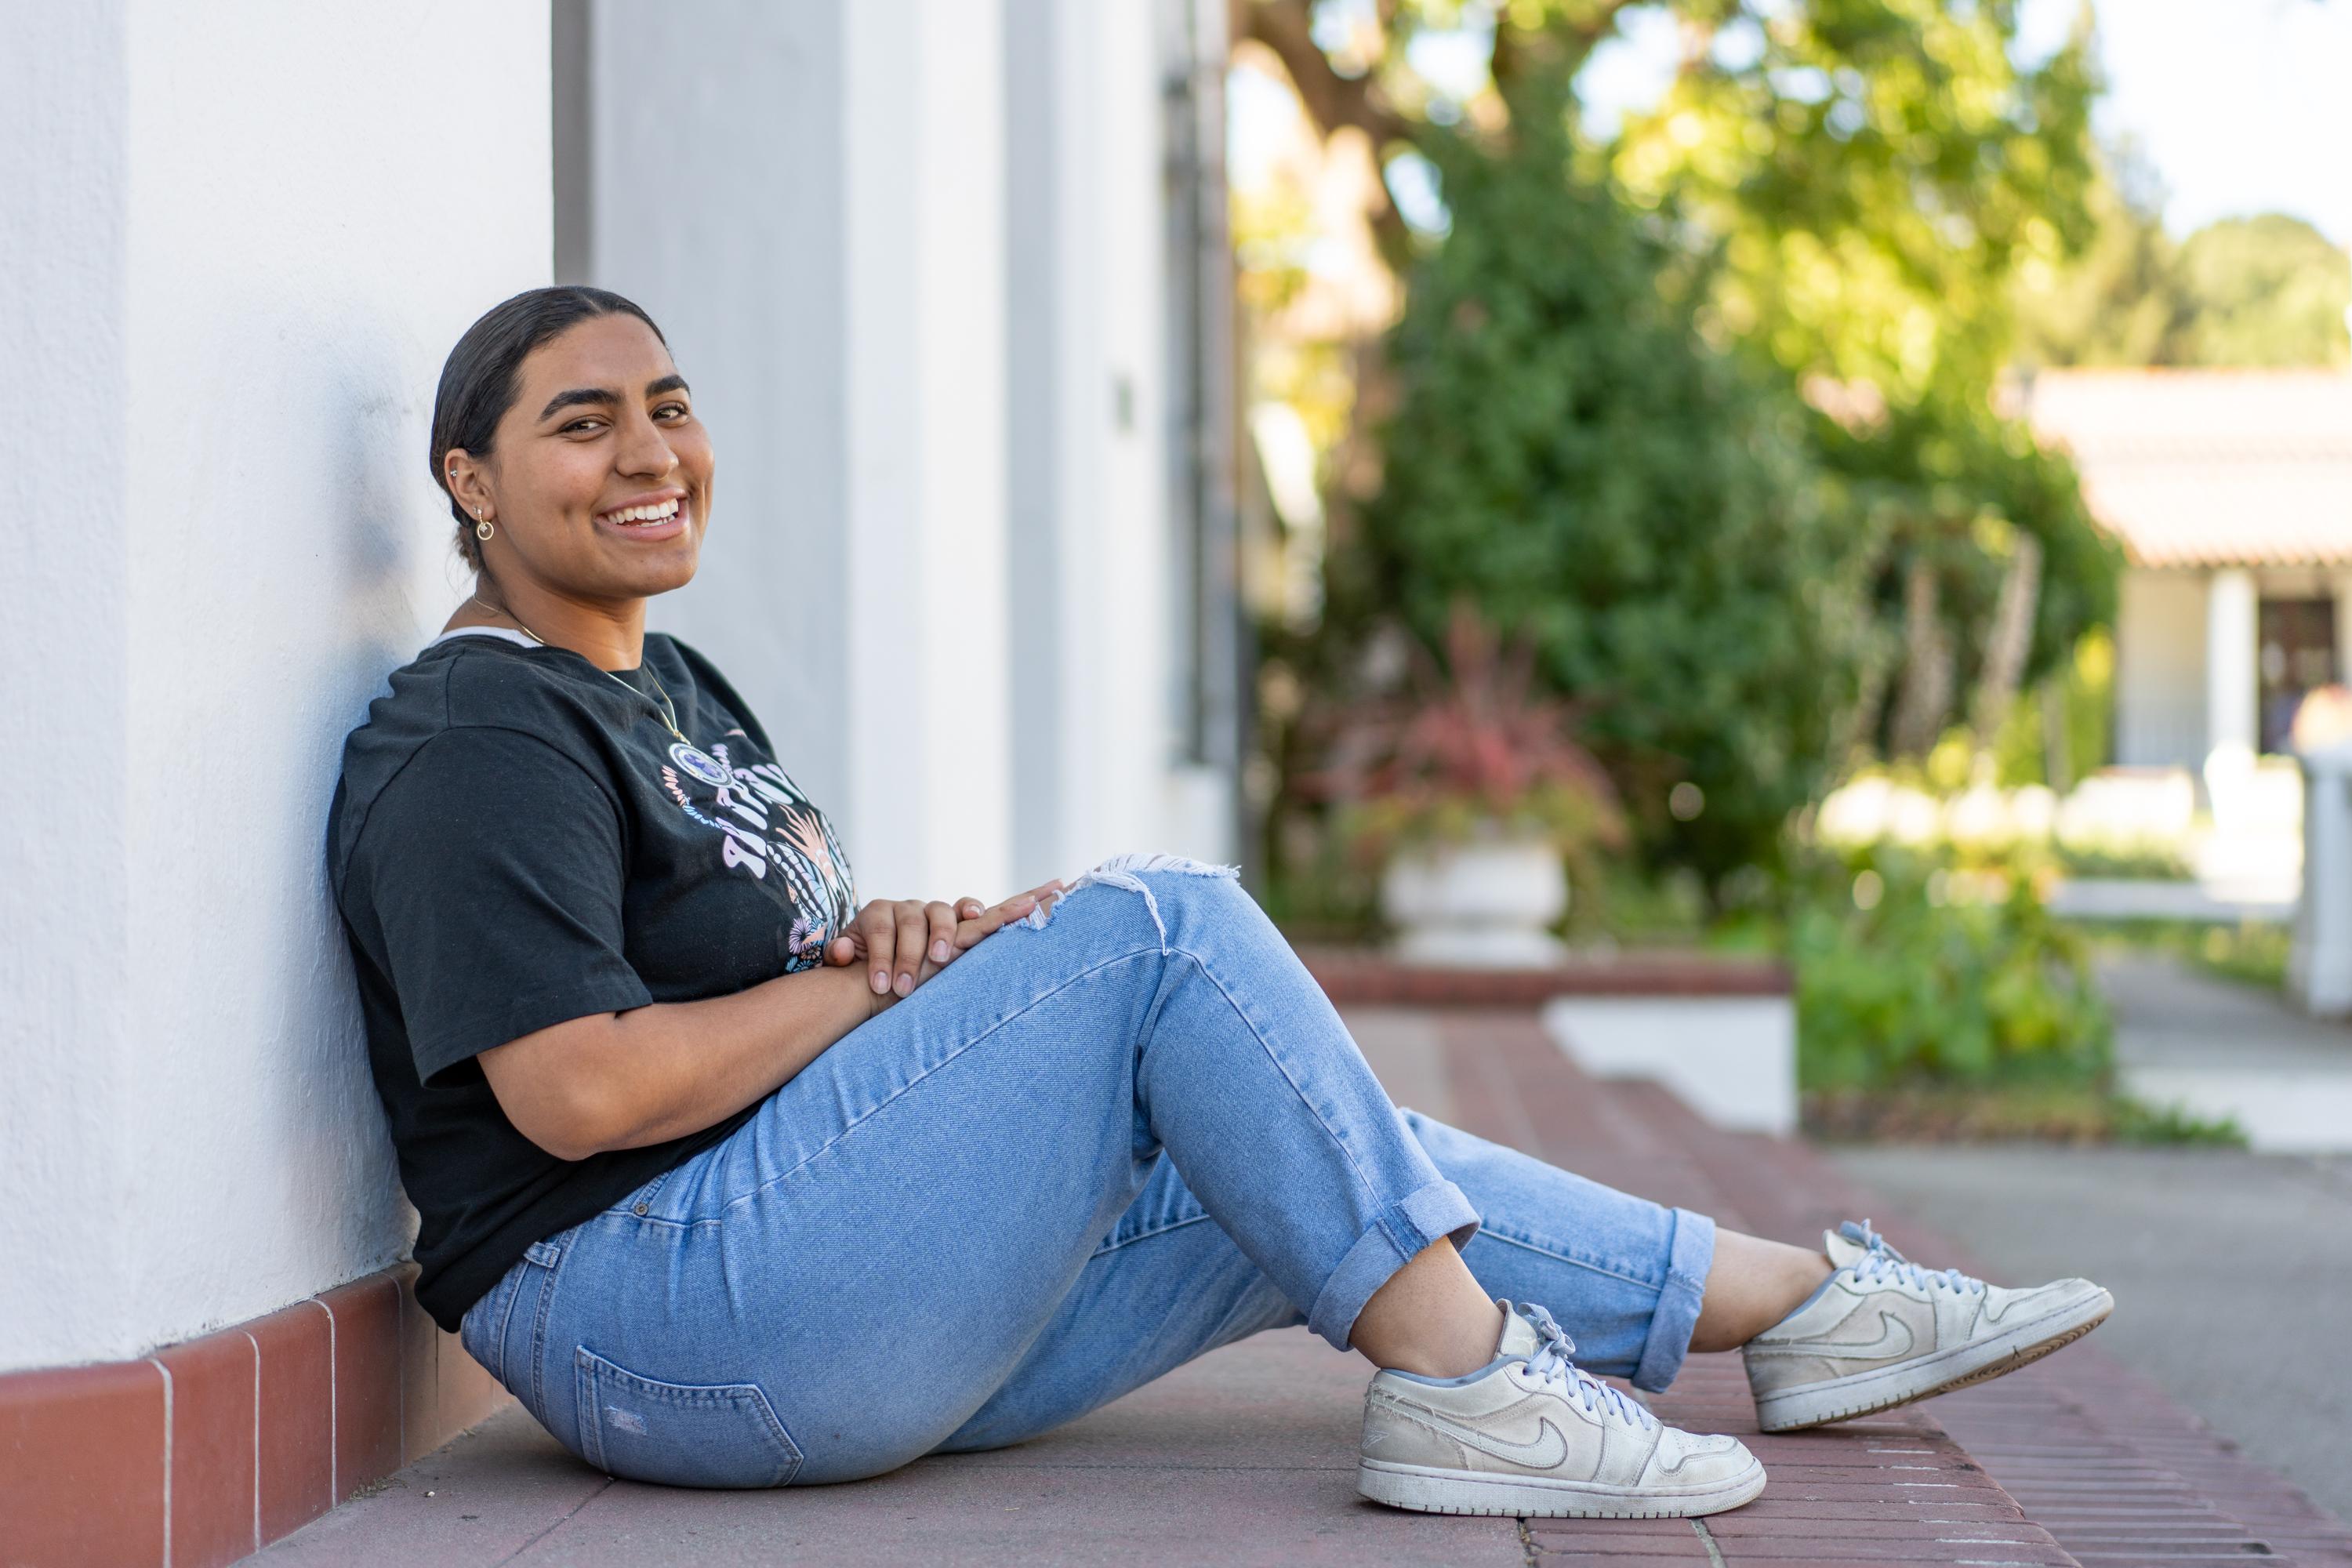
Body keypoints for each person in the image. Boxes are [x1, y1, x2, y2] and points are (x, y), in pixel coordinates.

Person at [328, 286, 2112, 1520]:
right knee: (1155, 924)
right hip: (652, 1319)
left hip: (783, 1290)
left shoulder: (672, 687)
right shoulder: (481, 723)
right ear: (473, 486)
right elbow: (582, 1092)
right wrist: (888, 998)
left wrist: (887, 954)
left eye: (670, 406)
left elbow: (750, 994)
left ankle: (1804, 1312)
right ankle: (1469, 1385)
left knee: (1292, 1147)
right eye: (583, 425)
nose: (650, 452)